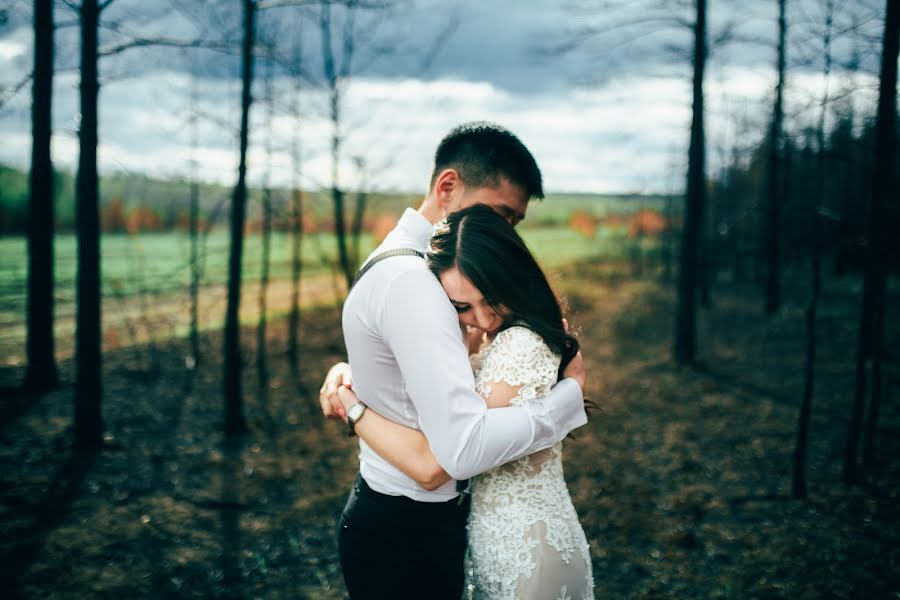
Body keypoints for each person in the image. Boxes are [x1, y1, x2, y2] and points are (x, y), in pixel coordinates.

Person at [318, 123, 589, 600]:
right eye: (501, 213)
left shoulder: (410, 265)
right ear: (448, 187)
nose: (504, 234)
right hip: (405, 531)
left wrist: (350, 379)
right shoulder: (413, 280)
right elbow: (453, 454)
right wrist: (565, 405)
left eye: (514, 222)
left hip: (414, 522)